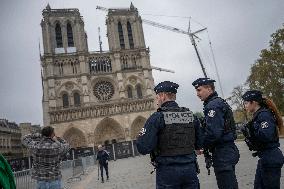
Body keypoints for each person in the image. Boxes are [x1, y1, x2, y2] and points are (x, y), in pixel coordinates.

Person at [136, 81, 203, 189]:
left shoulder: (157, 117)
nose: (157, 100)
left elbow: (143, 147)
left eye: (157, 97)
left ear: (162, 96)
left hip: (168, 172)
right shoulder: (190, 116)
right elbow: (200, 143)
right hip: (190, 170)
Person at [192, 78, 239, 189]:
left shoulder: (212, 106)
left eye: (199, 90)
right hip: (227, 150)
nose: (197, 94)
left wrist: (201, 146)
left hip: (223, 152)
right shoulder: (218, 102)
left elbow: (213, 133)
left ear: (209, 88)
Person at [241, 90, 284, 189]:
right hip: (265, 157)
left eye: (246, 103)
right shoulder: (259, 115)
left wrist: (251, 133)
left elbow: (266, 135)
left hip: (271, 158)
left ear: (254, 102)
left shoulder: (264, 115)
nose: (245, 106)